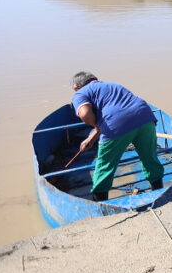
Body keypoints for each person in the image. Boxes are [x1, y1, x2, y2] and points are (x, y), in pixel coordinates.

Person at [70, 72, 164, 201]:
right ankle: (159, 191)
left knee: (105, 165)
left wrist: (97, 127)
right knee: (150, 157)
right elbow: (120, 108)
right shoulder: (112, 85)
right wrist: (93, 135)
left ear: (76, 88)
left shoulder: (80, 93)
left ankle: (100, 201)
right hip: (145, 116)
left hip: (116, 125)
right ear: (95, 80)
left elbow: (85, 114)